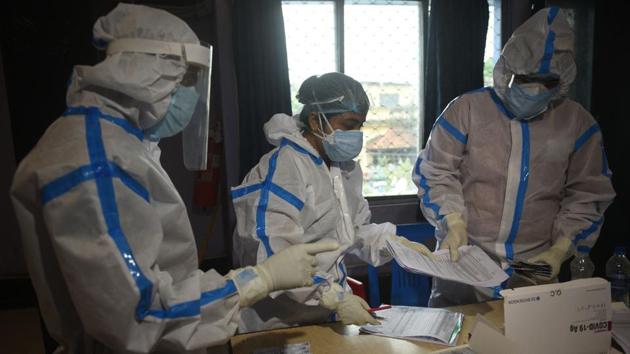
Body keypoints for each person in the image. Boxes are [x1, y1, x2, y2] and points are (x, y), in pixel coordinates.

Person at [10, 4, 339, 353]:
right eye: (187, 80)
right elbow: (139, 315)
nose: (192, 95)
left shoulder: (114, 143)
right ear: (149, 70)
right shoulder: (97, 160)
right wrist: (256, 280)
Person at [414, 6, 615, 307]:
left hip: (535, 268)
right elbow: (436, 172)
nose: (535, 89)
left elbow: (588, 194)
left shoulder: (577, 123)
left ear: (563, 80)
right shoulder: (466, 110)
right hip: (465, 261)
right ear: (506, 70)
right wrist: (453, 222)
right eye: (525, 78)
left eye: (547, 81)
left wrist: (560, 250)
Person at [231, 72, 434, 332]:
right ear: (316, 120)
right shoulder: (285, 167)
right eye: (348, 124)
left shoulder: (344, 169)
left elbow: (355, 230)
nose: (356, 134)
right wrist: (332, 297)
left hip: (327, 313)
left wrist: (396, 245)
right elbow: (273, 254)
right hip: (278, 320)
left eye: (360, 126)